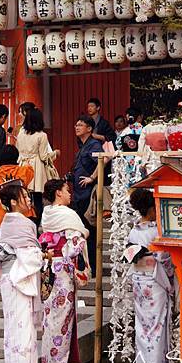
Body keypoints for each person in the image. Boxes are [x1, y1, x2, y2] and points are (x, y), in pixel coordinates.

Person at [0, 181, 48, 363]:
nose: (29, 200)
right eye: (24, 197)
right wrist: (41, 255)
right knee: (21, 324)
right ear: (14, 202)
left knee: (14, 324)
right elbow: (28, 253)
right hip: (18, 275)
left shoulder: (8, 221)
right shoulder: (21, 222)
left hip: (11, 276)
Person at [40, 179, 89, 363]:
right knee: (62, 315)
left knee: (50, 316)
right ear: (59, 193)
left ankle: (47, 360)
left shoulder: (47, 214)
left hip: (48, 267)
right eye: (67, 190)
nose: (70, 193)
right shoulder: (68, 215)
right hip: (62, 269)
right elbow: (75, 244)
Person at [125, 188, 174, 363]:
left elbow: (130, 254)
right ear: (151, 209)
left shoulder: (134, 231)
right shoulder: (156, 232)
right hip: (154, 280)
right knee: (157, 323)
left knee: (142, 324)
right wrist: (172, 276)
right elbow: (165, 258)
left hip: (139, 279)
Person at [72, 115, 103, 277]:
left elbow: (102, 161)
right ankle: (84, 265)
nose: (77, 127)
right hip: (78, 194)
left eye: (80, 125)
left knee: (89, 231)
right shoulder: (82, 145)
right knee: (81, 231)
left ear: (89, 128)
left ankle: (94, 267)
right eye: (76, 125)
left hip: (88, 194)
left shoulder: (94, 144)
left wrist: (92, 177)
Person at [16, 108, 60, 223]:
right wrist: (55, 153)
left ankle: (25, 223)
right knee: (37, 199)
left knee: (24, 198)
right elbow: (44, 156)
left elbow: (18, 149)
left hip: (23, 165)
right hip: (36, 168)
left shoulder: (21, 133)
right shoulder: (42, 135)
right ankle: (35, 226)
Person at [0, 144, 35, 228]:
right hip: (24, 212)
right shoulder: (23, 171)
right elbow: (31, 171)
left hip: (3, 215)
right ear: (16, 156)